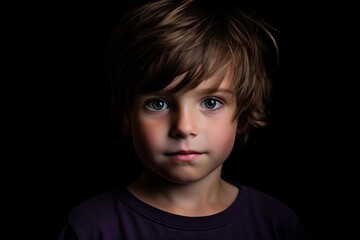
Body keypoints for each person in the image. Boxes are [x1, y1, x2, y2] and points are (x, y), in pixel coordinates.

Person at [57, 0, 309, 239]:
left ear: (242, 115)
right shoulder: (91, 228)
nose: (184, 128)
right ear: (127, 116)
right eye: (158, 104)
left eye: (211, 102)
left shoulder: (277, 225)